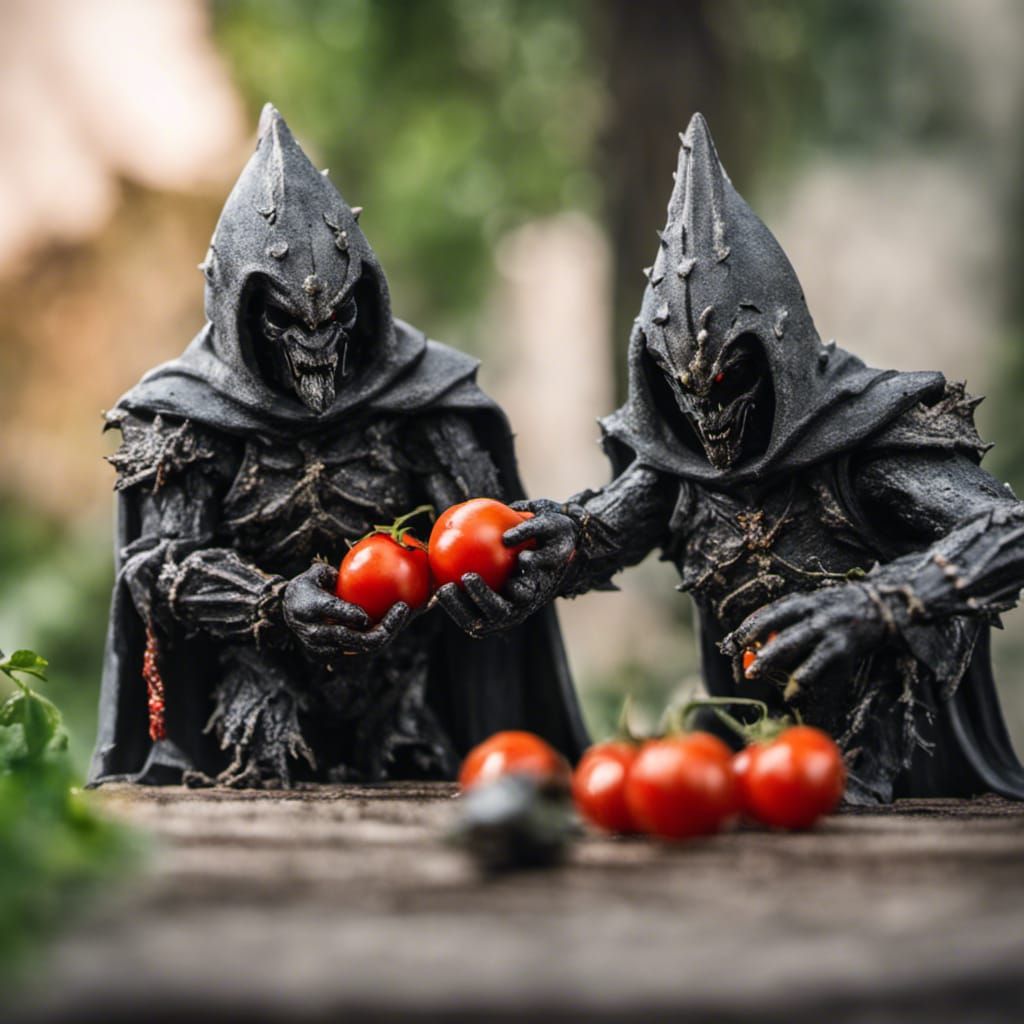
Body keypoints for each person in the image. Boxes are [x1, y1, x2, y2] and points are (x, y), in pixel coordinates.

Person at [438, 113, 1024, 803]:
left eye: (726, 379)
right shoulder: (679, 466)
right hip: (752, 764)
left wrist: (877, 604)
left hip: (897, 771)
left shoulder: (862, 443)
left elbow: (1010, 528)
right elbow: (601, 531)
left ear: (776, 350)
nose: (706, 416)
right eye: (680, 388)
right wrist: (553, 550)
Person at [91, 106, 587, 787]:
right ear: (241, 309)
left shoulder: (424, 400)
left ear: (366, 297)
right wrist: (269, 605)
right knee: (255, 784)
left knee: (423, 777)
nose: (318, 344)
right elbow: (158, 568)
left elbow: (489, 540)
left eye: (337, 317)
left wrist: (546, 551)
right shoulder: (184, 414)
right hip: (257, 685)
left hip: (402, 690)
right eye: (286, 321)